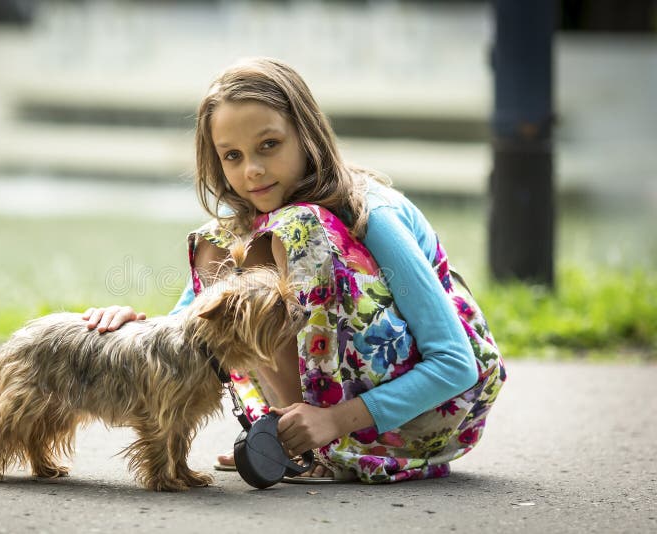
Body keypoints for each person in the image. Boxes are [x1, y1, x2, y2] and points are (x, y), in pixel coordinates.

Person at [83, 57, 505, 483]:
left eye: (269, 145)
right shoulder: (242, 229)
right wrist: (131, 327)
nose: (252, 170)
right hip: (342, 409)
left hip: (431, 411)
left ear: (306, 135)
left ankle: (315, 440)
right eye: (233, 155)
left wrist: (338, 419)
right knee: (219, 241)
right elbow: (191, 326)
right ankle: (290, 438)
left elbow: (455, 364)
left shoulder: (371, 211)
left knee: (296, 228)